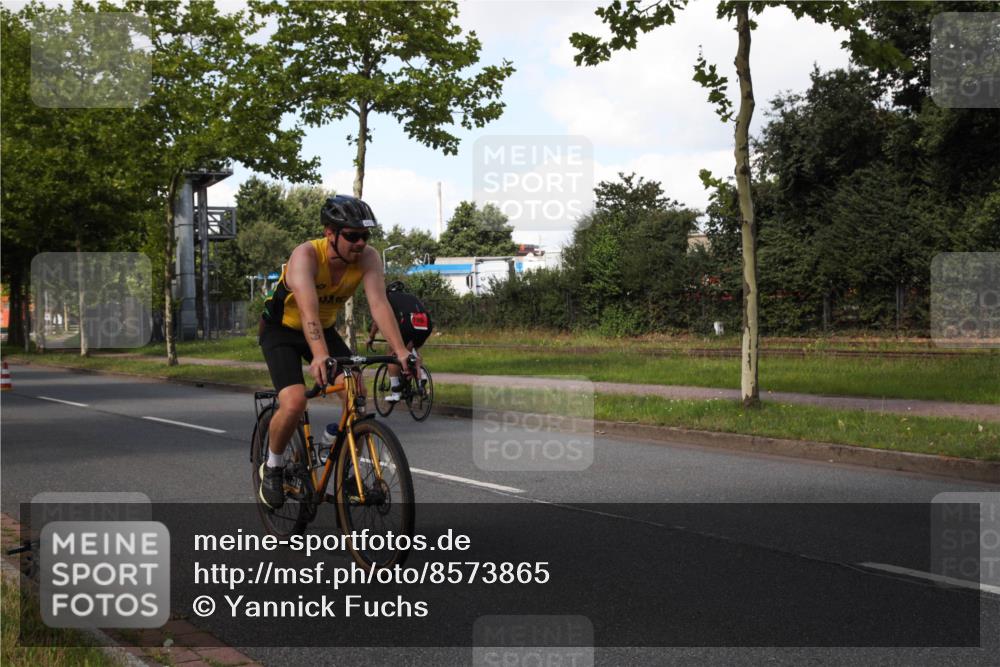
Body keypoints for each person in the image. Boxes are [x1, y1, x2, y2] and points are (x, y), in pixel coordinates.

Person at [258, 195, 411, 510]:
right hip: (282, 330)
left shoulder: (368, 258)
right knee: (295, 400)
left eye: (365, 236)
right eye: (352, 236)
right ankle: (272, 466)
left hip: (323, 329)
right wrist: (319, 355)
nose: (360, 243)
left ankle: (345, 465)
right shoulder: (305, 256)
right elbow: (308, 310)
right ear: (330, 233)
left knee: (356, 391)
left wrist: (400, 351)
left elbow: (379, 304)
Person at [366, 280, 433, 402]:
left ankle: (395, 393)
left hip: (408, 321)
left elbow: (377, 321)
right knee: (412, 350)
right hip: (426, 323)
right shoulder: (411, 297)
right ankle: (421, 376)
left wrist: (371, 337)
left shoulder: (386, 298)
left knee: (393, 354)